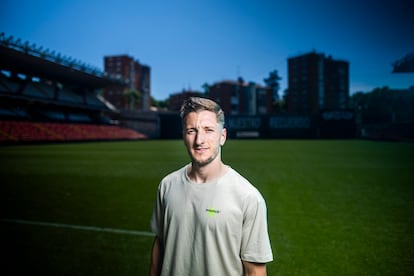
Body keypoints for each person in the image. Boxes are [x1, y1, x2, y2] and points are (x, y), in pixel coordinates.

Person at [150, 97, 273, 276]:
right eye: (192, 130)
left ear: (222, 136)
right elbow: (159, 245)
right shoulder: (167, 186)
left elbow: (255, 271)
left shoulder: (248, 197)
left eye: (208, 130)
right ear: (184, 136)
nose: (200, 140)